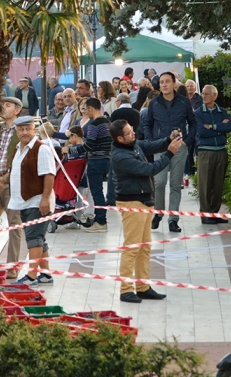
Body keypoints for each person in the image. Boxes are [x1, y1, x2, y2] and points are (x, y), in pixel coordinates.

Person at [110, 119, 183, 303]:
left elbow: (152, 145)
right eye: (128, 132)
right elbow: (149, 169)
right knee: (132, 248)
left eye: (132, 130)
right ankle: (126, 290)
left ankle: (142, 287)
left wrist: (168, 139)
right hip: (132, 203)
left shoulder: (134, 145)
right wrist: (170, 153)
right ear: (120, 138)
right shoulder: (121, 157)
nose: (133, 133)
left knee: (144, 248)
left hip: (144, 202)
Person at [0, 115, 56, 285]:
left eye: (27, 129)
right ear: (17, 131)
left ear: (34, 129)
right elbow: (16, 171)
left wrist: (45, 199)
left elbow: (49, 175)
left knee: (34, 239)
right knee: (39, 239)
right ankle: (45, 275)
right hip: (23, 202)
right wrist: (3, 180)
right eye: (21, 130)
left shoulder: (41, 149)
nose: (24, 133)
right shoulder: (18, 148)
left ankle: (32, 277)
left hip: (36, 202)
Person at [142, 72, 196, 233]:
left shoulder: (184, 102)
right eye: (162, 82)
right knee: (159, 182)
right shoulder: (154, 103)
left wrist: (187, 141)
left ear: (174, 84)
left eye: (167, 82)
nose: (164, 85)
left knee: (175, 184)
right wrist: (152, 142)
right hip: (161, 146)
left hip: (180, 146)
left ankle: (173, 219)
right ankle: (158, 213)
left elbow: (193, 123)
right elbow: (147, 124)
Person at [64, 98, 112, 233]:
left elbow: (88, 146)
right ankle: (100, 220)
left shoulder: (94, 125)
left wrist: (69, 150)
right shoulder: (108, 122)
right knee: (99, 192)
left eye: (86, 109)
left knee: (97, 193)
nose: (86, 112)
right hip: (106, 160)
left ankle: (101, 222)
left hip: (95, 161)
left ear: (91, 109)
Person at [195, 85, 231, 224]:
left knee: (218, 184)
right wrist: (220, 128)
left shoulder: (221, 111)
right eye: (202, 94)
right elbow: (201, 131)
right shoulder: (198, 112)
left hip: (221, 151)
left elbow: (229, 126)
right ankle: (205, 215)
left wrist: (212, 126)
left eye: (206, 94)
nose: (204, 96)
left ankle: (214, 213)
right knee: (205, 184)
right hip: (206, 151)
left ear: (214, 96)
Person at [0, 97, 24, 279]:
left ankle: (13, 266)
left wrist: (6, 177)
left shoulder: (21, 131)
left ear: (17, 110)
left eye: (8, 105)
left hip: (12, 182)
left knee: (15, 224)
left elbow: (22, 158)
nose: (3, 108)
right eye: (3, 105)